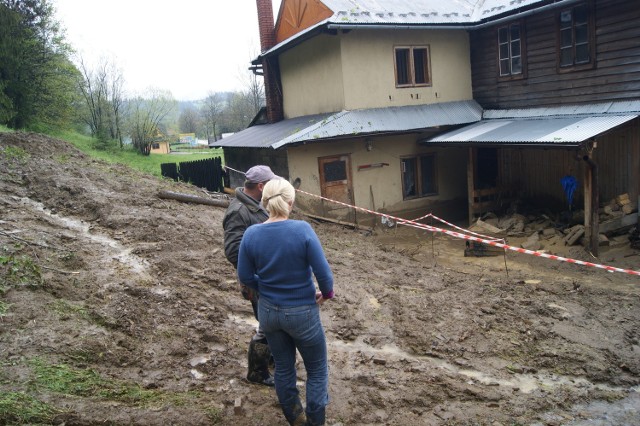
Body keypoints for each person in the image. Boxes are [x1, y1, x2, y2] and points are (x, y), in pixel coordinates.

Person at [237, 178, 334, 426]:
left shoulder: (250, 234)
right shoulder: (302, 229)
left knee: (283, 367)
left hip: (268, 313)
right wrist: (326, 293)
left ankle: (296, 418)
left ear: (264, 202)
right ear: (290, 202)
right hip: (302, 313)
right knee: (317, 369)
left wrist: (266, 288)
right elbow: (323, 274)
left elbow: (245, 277)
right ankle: (315, 421)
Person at [223, 165, 279, 386]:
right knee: (266, 325)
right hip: (257, 280)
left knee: (271, 323)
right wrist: (258, 271)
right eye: (271, 184)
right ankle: (257, 372)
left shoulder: (256, 205)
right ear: (261, 186)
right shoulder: (239, 212)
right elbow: (233, 251)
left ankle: (270, 357)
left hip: (266, 277)